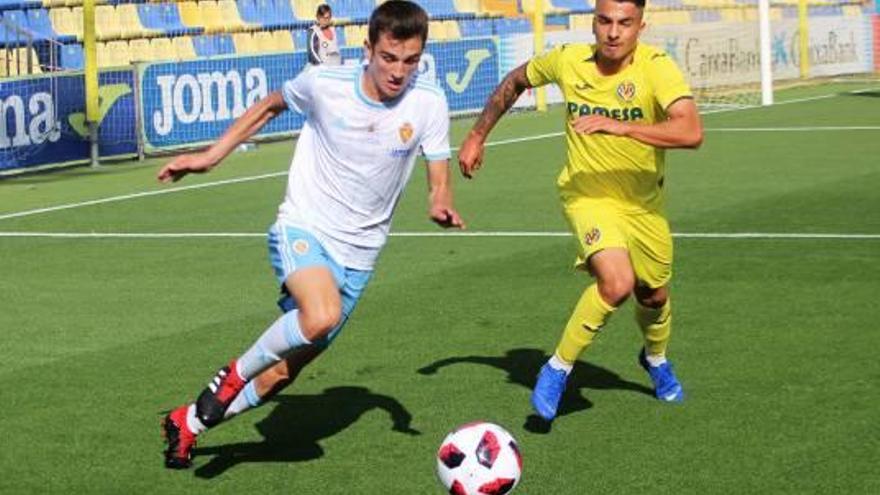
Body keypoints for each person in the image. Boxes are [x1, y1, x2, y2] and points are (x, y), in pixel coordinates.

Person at [159, 0, 464, 469]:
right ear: (368, 49)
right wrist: (210, 156)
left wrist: (438, 199)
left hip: (360, 256)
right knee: (321, 314)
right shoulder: (324, 84)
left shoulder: (429, 100)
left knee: (282, 372)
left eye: (410, 60)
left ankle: (189, 423)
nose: (399, 71)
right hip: (304, 225)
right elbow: (270, 106)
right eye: (388, 57)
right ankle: (231, 377)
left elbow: (437, 168)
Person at [458, 0, 703, 422]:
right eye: (605, 21)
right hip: (587, 196)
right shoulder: (568, 60)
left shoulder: (657, 67)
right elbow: (516, 81)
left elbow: (691, 130)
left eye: (624, 23)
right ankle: (557, 368)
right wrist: (477, 135)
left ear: (640, 26)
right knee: (617, 283)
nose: (613, 32)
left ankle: (656, 359)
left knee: (653, 294)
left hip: (643, 204)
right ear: (593, 23)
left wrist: (621, 126)